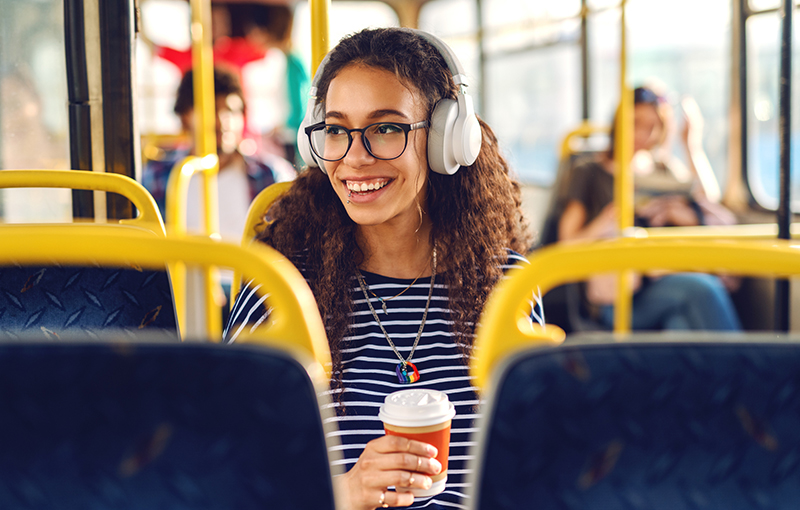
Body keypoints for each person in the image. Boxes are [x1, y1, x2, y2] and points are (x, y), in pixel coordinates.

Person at [224, 28, 539, 510]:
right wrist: (343, 494)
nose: (354, 157)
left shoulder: (508, 285)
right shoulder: (281, 285)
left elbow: (534, 470)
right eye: (335, 130)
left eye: (386, 128)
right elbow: (229, 475)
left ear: (444, 139)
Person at [557, 85, 741, 331]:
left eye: (653, 126)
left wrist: (690, 146)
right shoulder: (589, 172)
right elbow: (566, 244)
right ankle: (747, 368)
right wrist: (607, 220)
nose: (643, 134)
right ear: (619, 123)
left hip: (660, 276)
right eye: (635, 123)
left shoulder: (662, 168)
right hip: (618, 292)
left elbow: (709, 202)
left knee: (680, 327)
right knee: (704, 289)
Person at [142, 66, 296, 241]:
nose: (222, 120)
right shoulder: (158, 178)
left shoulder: (272, 176)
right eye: (211, 109)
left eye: (231, 110)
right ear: (185, 117)